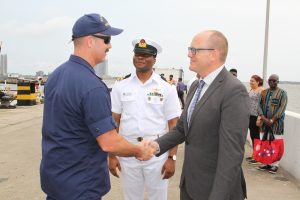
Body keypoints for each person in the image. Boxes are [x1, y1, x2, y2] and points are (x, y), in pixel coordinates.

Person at [40, 13, 154, 200]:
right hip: (80, 185)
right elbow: (109, 141)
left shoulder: (55, 76)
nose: (110, 45)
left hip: (56, 180)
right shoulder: (92, 86)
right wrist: (138, 150)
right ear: (90, 41)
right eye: (107, 39)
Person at [147, 30, 250, 200]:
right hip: (190, 185)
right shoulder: (196, 86)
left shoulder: (233, 90)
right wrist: (155, 146)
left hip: (215, 190)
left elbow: (231, 155)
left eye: (194, 50)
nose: (189, 54)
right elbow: (183, 128)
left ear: (213, 54)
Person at [109, 38, 182, 200]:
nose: (140, 58)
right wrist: (112, 155)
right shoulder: (121, 86)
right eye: (137, 54)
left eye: (145, 55)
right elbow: (115, 121)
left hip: (157, 153)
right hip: (128, 151)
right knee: (131, 197)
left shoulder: (166, 88)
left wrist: (172, 158)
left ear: (154, 59)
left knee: (158, 197)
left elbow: (174, 125)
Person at [257, 74, 288, 174]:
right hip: (264, 123)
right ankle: (267, 163)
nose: (271, 82)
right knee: (265, 143)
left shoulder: (283, 93)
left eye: (274, 80)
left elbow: (281, 109)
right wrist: (263, 118)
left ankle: (275, 165)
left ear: (277, 81)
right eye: (270, 80)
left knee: (275, 144)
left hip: (276, 124)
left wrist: (272, 120)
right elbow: (258, 106)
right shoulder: (263, 92)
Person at [247, 75, 264, 164]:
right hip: (250, 115)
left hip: (256, 116)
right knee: (253, 136)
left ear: (258, 82)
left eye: (253, 81)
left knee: (256, 137)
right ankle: (254, 154)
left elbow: (262, 104)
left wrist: (259, 117)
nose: (251, 82)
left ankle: (257, 156)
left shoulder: (261, 90)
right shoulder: (251, 90)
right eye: (250, 81)